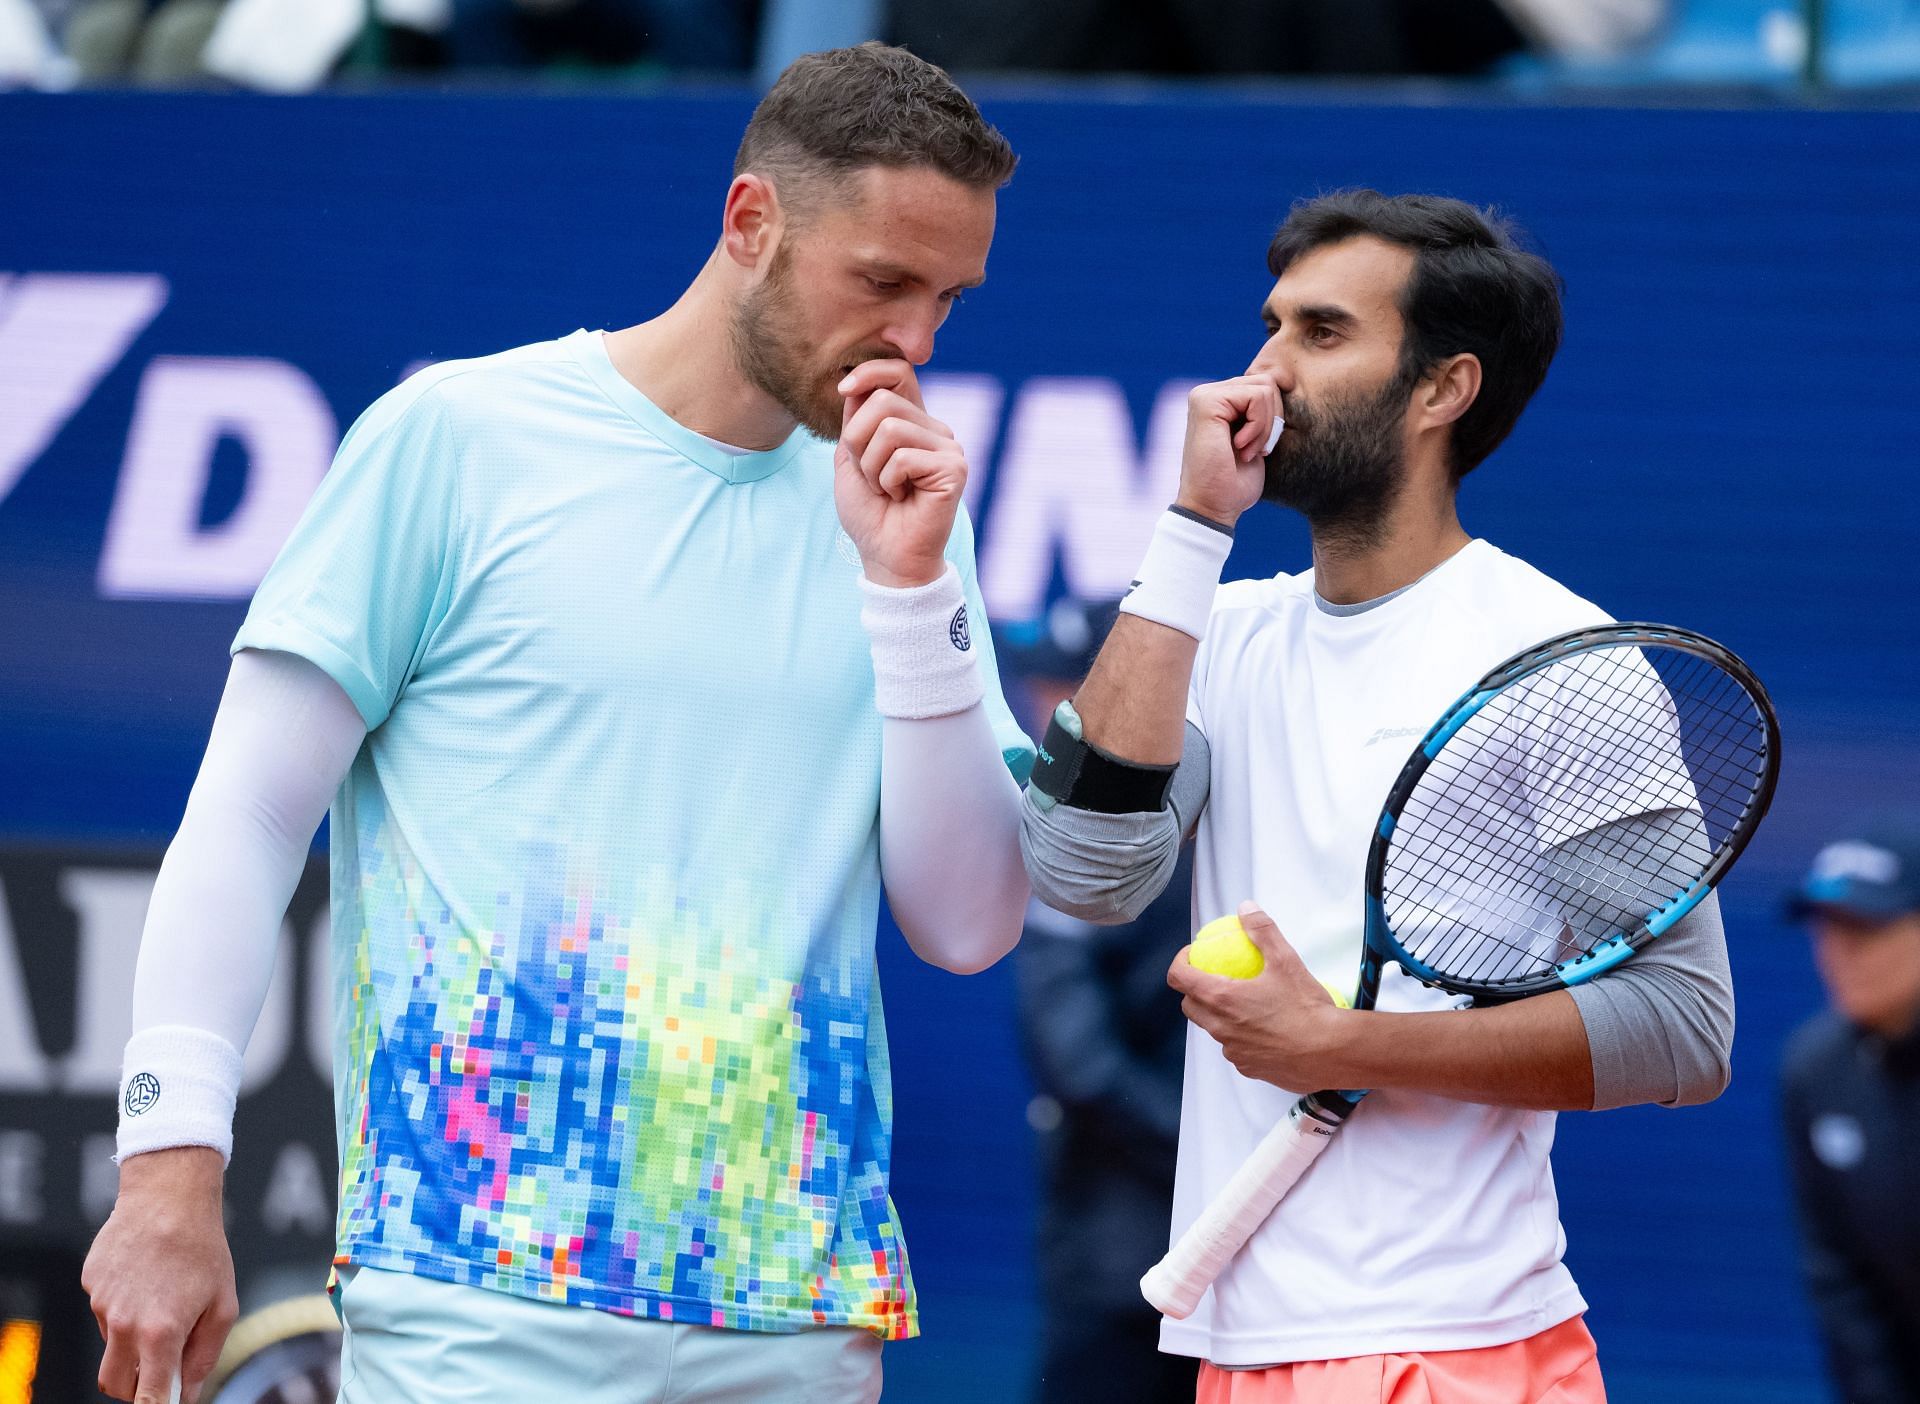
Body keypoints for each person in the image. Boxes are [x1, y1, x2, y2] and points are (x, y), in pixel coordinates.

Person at [80, 42, 1032, 1404]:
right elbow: (244, 816)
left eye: (948, 298)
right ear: (751, 222)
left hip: (804, 1312)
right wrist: (170, 1175)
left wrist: (912, 588)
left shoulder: (906, 528)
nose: (917, 342)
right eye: (882, 283)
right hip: (475, 1295)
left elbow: (967, 923)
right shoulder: (455, 439)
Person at [1020, 189, 1736, 1399]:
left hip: (1453, 1349)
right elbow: (1086, 874)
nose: (1263, 371)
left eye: (1322, 333)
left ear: (1441, 391)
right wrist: (1195, 525)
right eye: (1269, 327)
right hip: (1242, 1346)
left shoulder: (1566, 658)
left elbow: (1682, 1025)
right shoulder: (1222, 634)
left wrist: (1343, 1045)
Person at [997, 598, 1197, 1403]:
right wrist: (1216, 1152)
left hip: (1168, 1277)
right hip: (1127, 1268)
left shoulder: (1204, 818)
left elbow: (1079, 1061)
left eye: (1073, 691)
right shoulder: (1068, 845)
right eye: (1045, 689)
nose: (1052, 714)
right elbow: (1077, 1059)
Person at [1780, 811, 1920, 1404]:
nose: (1840, 952)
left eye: (1865, 929)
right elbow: (1841, 1284)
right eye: (1827, 930)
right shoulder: (1815, 1072)